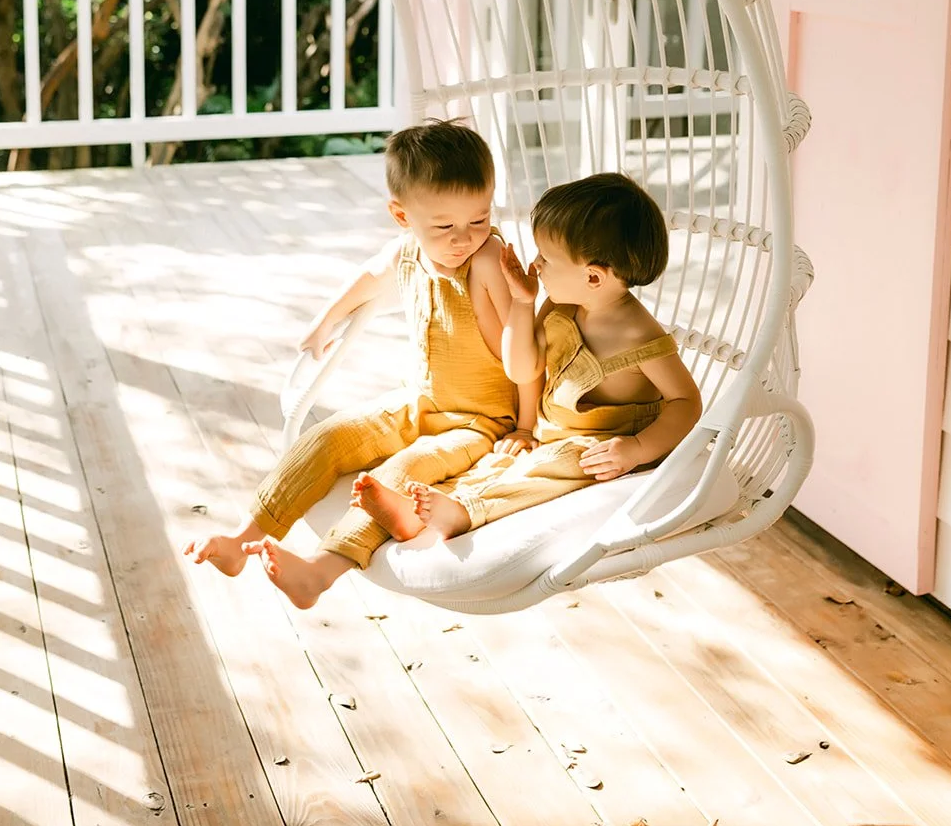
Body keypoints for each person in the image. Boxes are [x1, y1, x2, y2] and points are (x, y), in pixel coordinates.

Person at [183, 121, 539, 607]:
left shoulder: (487, 261)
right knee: (328, 436)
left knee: (400, 470)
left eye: (479, 219)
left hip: (478, 422)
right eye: (443, 226)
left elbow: (528, 351)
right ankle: (241, 541)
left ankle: (321, 570)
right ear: (402, 216)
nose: (463, 238)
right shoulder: (408, 251)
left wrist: (524, 426)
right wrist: (325, 321)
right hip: (418, 400)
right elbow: (370, 277)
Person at [352, 172, 703, 546]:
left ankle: (466, 511)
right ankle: (418, 508)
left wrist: (637, 449)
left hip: (605, 445)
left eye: (546, 258)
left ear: (594, 278)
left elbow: (687, 402)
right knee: (501, 462)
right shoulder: (564, 302)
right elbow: (521, 368)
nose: (535, 265)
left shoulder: (639, 336)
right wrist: (523, 302)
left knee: (558, 467)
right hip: (552, 432)